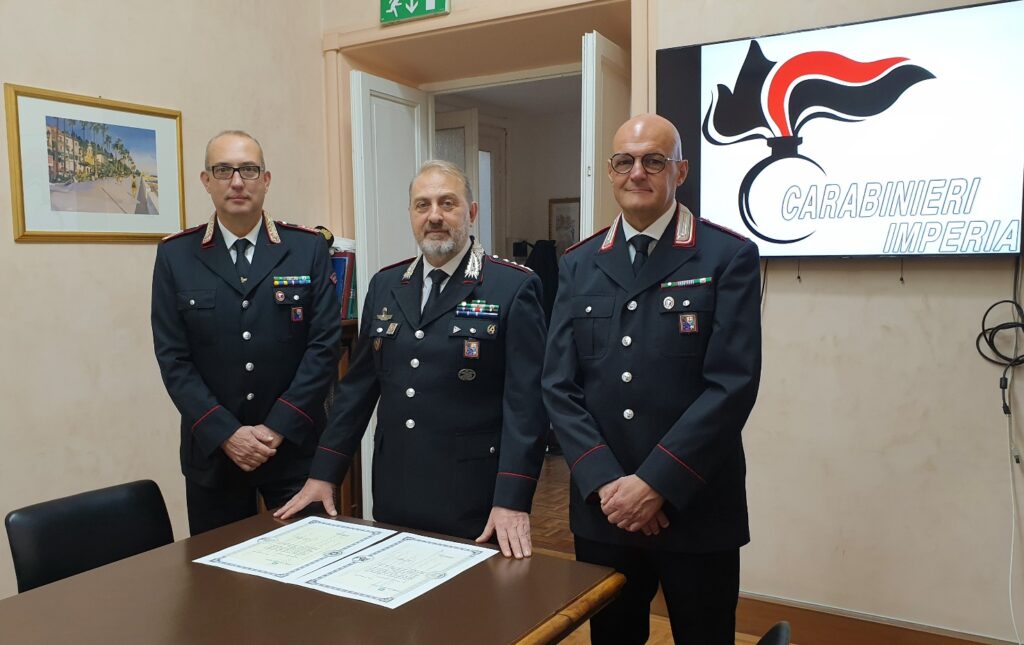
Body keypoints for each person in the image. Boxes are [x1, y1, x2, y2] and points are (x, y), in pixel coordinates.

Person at [542, 114, 762, 644]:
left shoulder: (726, 255)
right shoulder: (579, 263)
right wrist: (608, 484)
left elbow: (732, 385)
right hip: (606, 511)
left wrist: (656, 483)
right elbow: (558, 385)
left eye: (653, 161)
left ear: (679, 171)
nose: (636, 172)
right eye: (624, 161)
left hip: (696, 506)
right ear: (610, 172)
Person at [276, 160, 548, 559]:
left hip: (474, 497)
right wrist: (324, 473)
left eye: (447, 203)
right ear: (410, 215)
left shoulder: (512, 286)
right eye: (423, 205)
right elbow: (356, 392)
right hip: (395, 491)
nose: (434, 216)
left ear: (471, 212)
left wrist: (512, 497)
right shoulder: (386, 284)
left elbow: (527, 405)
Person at [152, 130, 341, 535]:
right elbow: (173, 359)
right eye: (223, 170)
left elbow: (323, 348)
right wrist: (227, 434)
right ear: (206, 181)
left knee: (310, 561)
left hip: (294, 448)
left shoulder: (307, 248)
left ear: (266, 179)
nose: (237, 182)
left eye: (249, 170)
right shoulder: (175, 255)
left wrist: (276, 428)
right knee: (217, 569)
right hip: (214, 453)